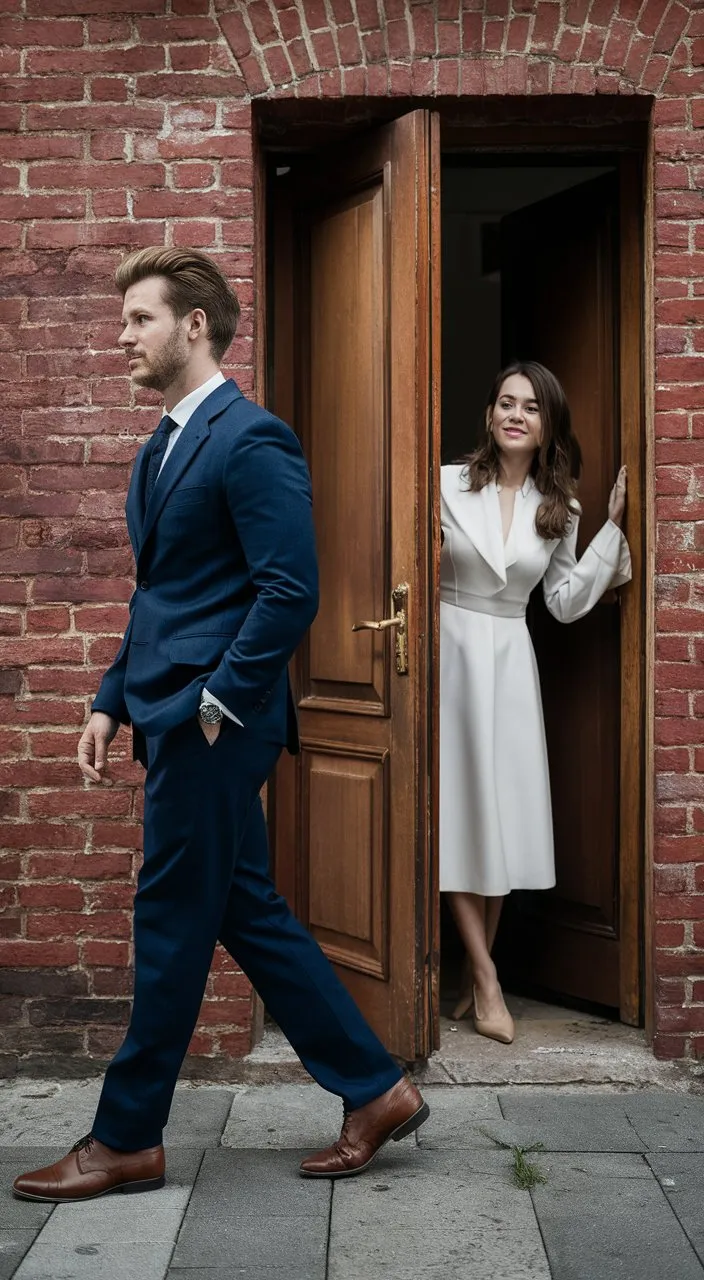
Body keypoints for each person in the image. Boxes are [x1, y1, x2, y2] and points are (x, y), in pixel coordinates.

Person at [13, 247, 428, 1203]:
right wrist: (110, 697)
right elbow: (162, 593)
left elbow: (291, 592)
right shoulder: (158, 449)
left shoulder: (252, 440)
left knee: (167, 918)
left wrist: (214, 702)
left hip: (214, 721)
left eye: (139, 321)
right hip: (166, 708)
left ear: (193, 325)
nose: (121, 339)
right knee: (246, 907)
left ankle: (125, 1138)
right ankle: (376, 1089)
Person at [440, 361, 630, 1044]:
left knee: (498, 815)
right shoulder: (442, 485)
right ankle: (489, 981)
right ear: (489, 415)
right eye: (505, 403)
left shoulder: (562, 508)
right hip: (450, 654)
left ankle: (470, 971)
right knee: (459, 812)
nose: (516, 414)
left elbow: (564, 601)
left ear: (547, 423)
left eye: (531, 407)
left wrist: (610, 532)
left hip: (512, 658)